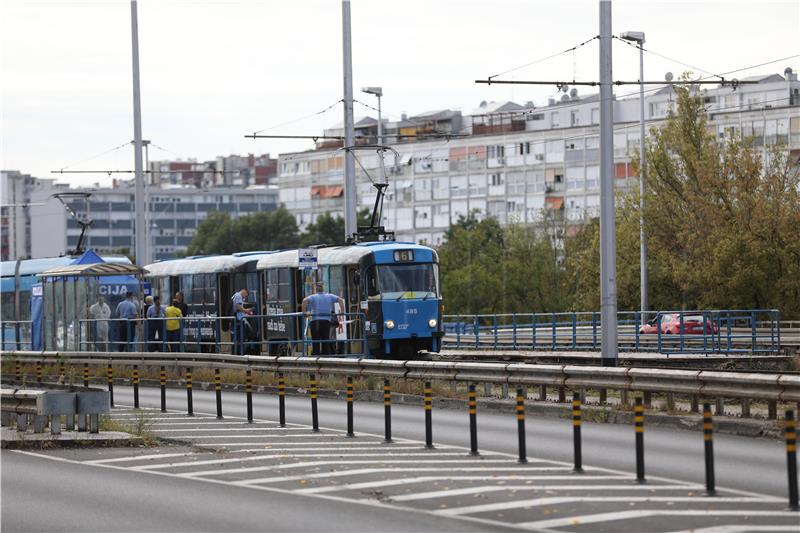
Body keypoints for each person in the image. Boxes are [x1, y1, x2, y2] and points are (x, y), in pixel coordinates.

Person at [302, 282, 345, 356]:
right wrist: (342, 312)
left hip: (315, 321)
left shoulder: (313, 297)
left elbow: (304, 300)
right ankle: (326, 357)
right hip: (326, 321)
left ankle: (316, 357)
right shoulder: (330, 296)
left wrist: (304, 312)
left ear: (316, 289)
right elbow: (340, 300)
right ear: (323, 289)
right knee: (325, 340)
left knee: (315, 341)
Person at [230, 289, 252, 355]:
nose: (244, 298)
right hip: (239, 320)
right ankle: (239, 352)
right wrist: (246, 310)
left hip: (237, 318)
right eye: (245, 296)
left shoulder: (234, 295)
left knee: (236, 337)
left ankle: (236, 352)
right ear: (244, 292)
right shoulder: (239, 296)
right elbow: (238, 307)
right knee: (240, 337)